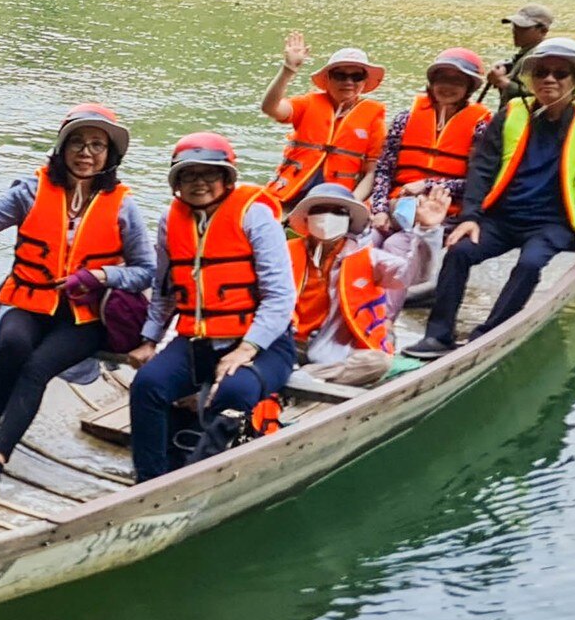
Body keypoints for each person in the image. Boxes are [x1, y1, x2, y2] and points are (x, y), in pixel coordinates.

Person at [0, 105, 156, 502]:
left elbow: (146, 270)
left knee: (36, 368)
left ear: (110, 156)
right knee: (11, 345)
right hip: (27, 299)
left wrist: (102, 276)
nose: (86, 152)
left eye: (97, 145)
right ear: (61, 149)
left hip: (85, 315)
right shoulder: (30, 191)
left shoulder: (123, 205)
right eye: (77, 142)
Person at [405, 37, 575, 358]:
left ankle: (486, 336)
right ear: (531, 79)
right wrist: (470, 217)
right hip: (503, 216)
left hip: (553, 222)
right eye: (542, 72)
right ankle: (438, 335)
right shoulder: (513, 113)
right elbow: (483, 169)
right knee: (459, 251)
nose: (550, 79)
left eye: (560, 74)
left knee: (529, 264)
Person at [124, 133, 296, 482]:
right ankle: (148, 480)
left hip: (263, 344)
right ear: (177, 182)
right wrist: (150, 338)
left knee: (232, 394)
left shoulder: (255, 215)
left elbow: (280, 295)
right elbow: (164, 289)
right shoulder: (169, 221)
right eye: (189, 175)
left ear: (227, 178)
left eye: (209, 174)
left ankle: (194, 481)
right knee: (147, 385)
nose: (199, 183)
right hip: (198, 341)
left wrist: (247, 348)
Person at [283, 182, 441, 386]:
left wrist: (427, 230)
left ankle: (309, 375)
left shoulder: (368, 258)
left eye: (337, 212)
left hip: (337, 347)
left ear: (348, 221)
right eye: (320, 210)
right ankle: (293, 371)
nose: (327, 217)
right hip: (288, 340)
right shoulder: (283, 252)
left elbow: (410, 276)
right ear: (306, 218)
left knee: (379, 362)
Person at [259, 32, 388, 209]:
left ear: (364, 81)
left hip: (337, 197)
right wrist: (288, 70)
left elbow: (372, 172)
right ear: (328, 78)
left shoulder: (374, 115)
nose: (348, 82)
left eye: (356, 76)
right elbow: (270, 108)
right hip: (291, 192)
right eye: (340, 75)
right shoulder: (308, 103)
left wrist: (351, 202)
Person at [366, 48, 488, 222]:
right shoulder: (404, 119)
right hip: (398, 205)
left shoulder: (481, 128)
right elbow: (384, 170)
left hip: (445, 213)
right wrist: (380, 210)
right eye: (442, 79)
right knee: (367, 241)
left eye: (457, 81)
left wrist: (427, 185)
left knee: (397, 245)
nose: (448, 86)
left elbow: (479, 182)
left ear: (469, 87)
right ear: (432, 82)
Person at [487, 3, 557, 104]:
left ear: (543, 31)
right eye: (515, 26)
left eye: (523, 28)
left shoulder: (542, 57)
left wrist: (502, 82)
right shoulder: (528, 51)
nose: (515, 31)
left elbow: (543, 94)